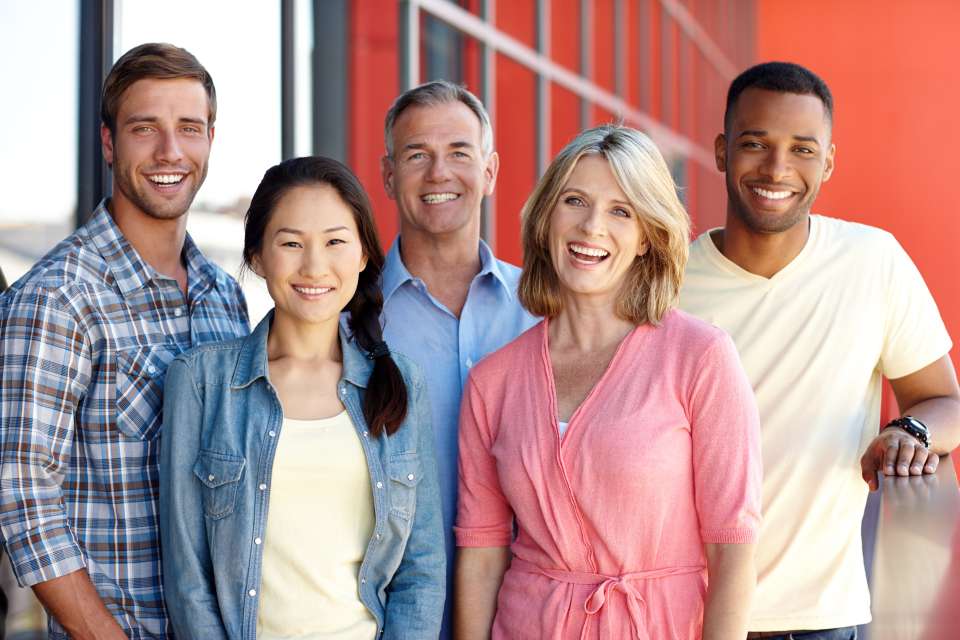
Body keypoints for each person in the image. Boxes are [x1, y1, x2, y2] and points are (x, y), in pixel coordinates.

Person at [679, 62, 960, 639]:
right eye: (755, 144)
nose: (777, 168)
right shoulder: (668, 280)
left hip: (822, 621)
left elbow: (945, 403)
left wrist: (910, 432)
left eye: (802, 149)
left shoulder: (872, 262)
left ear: (828, 162)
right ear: (721, 151)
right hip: (682, 614)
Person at [455, 125, 763, 639]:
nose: (592, 226)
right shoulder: (493, 381)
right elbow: (482, 555)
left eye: (621, 211)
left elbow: (733, 550)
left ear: (647, 237)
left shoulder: (700, 357)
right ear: (547, 216)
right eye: (574, 201)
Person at [0, 43, 248, 639]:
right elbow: (23, 497)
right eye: (145, 129)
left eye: (189, 128)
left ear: (211, 138)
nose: (171, 151)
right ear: (110, 143)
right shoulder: (57, 296)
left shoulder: (225, 296)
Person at [159, 156, 445, 640]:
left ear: (361, 256)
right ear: (257, 257)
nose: (314, 266)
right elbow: (189, 579)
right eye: (291, 243)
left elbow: (421, 569)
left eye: (335, 242)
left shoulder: (399, 381)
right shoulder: (200, 382)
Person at [378, 80, 538, 635]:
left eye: (459, 154)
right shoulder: (350, 320)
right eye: (417, 155)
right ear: (389, 175)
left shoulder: (546, 312)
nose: (439, 173)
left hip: (530, 615)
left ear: (490, 172)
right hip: (391, 618)